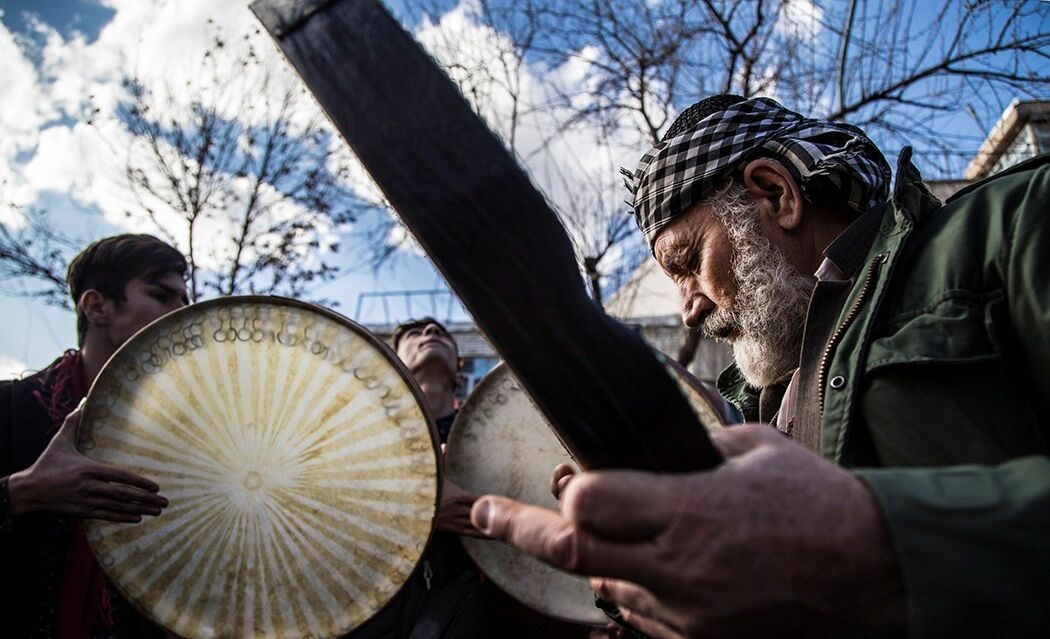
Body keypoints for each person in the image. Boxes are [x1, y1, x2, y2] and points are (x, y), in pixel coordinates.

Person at [468, 95, 1050, 637]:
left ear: (775, 193)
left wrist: (884, 551)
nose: (689, 309)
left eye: (690, 262)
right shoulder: (742, 411)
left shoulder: (1013, 224)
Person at [0, 234, 189, 637]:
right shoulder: (7, 408)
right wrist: (23, 492)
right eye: (161, 295)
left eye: (185, 302)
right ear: (96, 305)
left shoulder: (183, 444)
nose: (181, 314)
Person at [350, 317, 489, 638]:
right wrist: (419, 510)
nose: (430, 332)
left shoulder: (494, 438)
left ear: (459, 372)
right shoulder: (356, 434)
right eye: (415, 333)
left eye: (442, 334)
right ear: (393, 366)